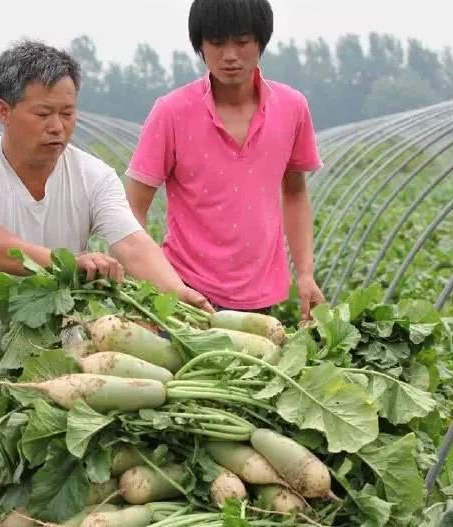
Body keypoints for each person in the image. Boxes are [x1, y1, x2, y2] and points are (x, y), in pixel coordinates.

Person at [0, 39, 212, 527]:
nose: (58, 127)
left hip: (63, 381)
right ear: (3, 110)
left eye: (67, 112)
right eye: (43, 113)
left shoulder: (92, 175)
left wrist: (180, 292)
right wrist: (70, 263)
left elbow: (131, 242)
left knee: (48, 512)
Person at [125, 0, 326, 320]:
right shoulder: (172, 112)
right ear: (201, 46)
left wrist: (304, 273)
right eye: (217, 43)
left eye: (242, 42)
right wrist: (155, 283)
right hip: (184, 291)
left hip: (260, 297)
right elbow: (132, 207)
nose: (230, 55)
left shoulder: (291, 108)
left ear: (261, 41)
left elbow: (295, 192)